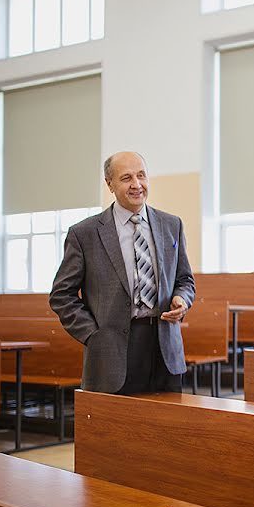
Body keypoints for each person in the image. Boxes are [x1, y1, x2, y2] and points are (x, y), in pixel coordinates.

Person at [49, 152, 194, 394]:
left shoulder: (172, 225)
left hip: (165, 349)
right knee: (116, 430)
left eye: (141, 176)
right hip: (111, 353)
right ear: (110, 184)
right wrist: (94, 335)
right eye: (126, 178)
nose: (137, 185)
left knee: (166, 429)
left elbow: (184, 280)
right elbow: (61, 296)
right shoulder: (85, 233)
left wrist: (182, 299)